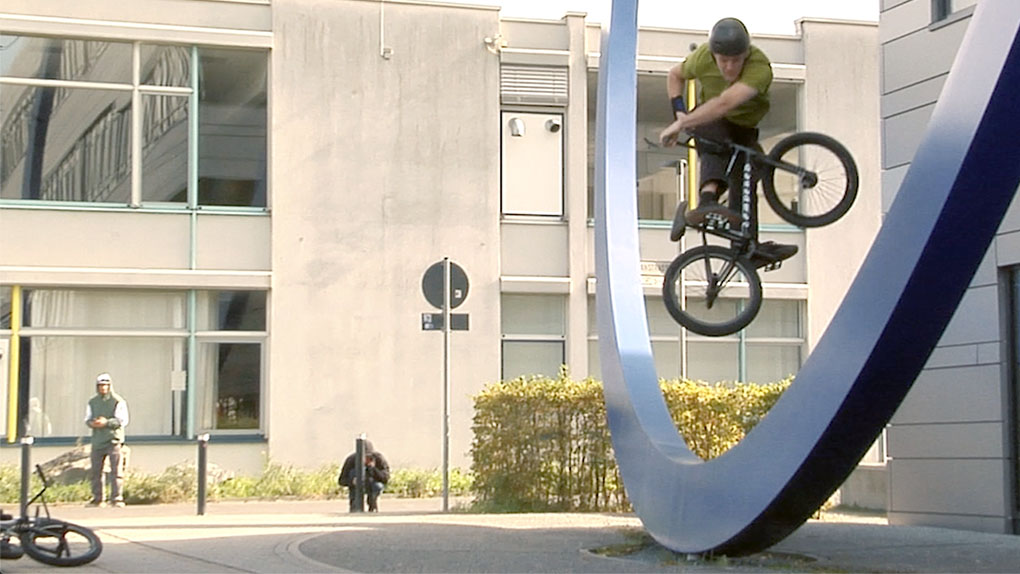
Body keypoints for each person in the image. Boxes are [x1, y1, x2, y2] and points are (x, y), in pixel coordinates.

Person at [659, 17, 797, 268]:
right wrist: (679, 114)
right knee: (713, 140)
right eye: (724, 61)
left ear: (746, 54)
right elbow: (675, 75)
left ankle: (745, 246)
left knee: (749, 175)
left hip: (743, 128)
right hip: (710, 121)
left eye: (737, 61)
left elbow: (726, 103)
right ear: (714, 56)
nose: (730, 68)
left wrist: (682, 124)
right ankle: (707, 202)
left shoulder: (759, 67)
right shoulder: (702, 57)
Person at [84, 372, 129, 507]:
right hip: (97, 441)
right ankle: (97, 498)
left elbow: (122, 420)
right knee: (96, 471)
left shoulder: (118, 401)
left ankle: (116, 498)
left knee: (116, 471)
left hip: (113, 440)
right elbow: (87, 419)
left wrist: (106, 423)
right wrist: (93, 423)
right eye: (100, 385)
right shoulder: (92, 402)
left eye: (105, 385)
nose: (103, 388)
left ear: (110, 386)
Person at [338, 441, 390, 512]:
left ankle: (372, 502)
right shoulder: (351, 460)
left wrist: (373, 469)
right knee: (353, 472)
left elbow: (385, 478)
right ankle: (354, 503)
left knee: (378, 486)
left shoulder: (379, 459)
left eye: (369, 457)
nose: (366, 459)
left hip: (373, 483)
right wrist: (352, 481)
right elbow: (341, 480)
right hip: (356, 485)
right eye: (363, 457)